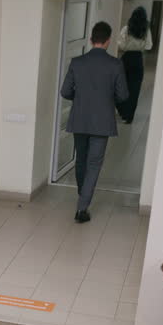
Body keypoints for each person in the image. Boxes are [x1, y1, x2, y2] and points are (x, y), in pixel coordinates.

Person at [60, 21, 129, 224]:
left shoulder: (77, 62)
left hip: (79, 118)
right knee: (94, 163)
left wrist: (81, 99)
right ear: (108, 41)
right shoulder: (115, 64)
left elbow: (65, 91)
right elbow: (123, 95)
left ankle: (83, 195)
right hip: (102, 121)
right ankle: (82, 207)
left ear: (91, 40)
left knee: (81, 160)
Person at [117, 7, 153, 124]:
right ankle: (129, 116)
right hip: (138, 60)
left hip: (126, 59)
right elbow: (149, 46)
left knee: (121, 86)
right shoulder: (146, 30)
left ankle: (122, 111)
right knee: (134, 89)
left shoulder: (126, 29)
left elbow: (121, 45)